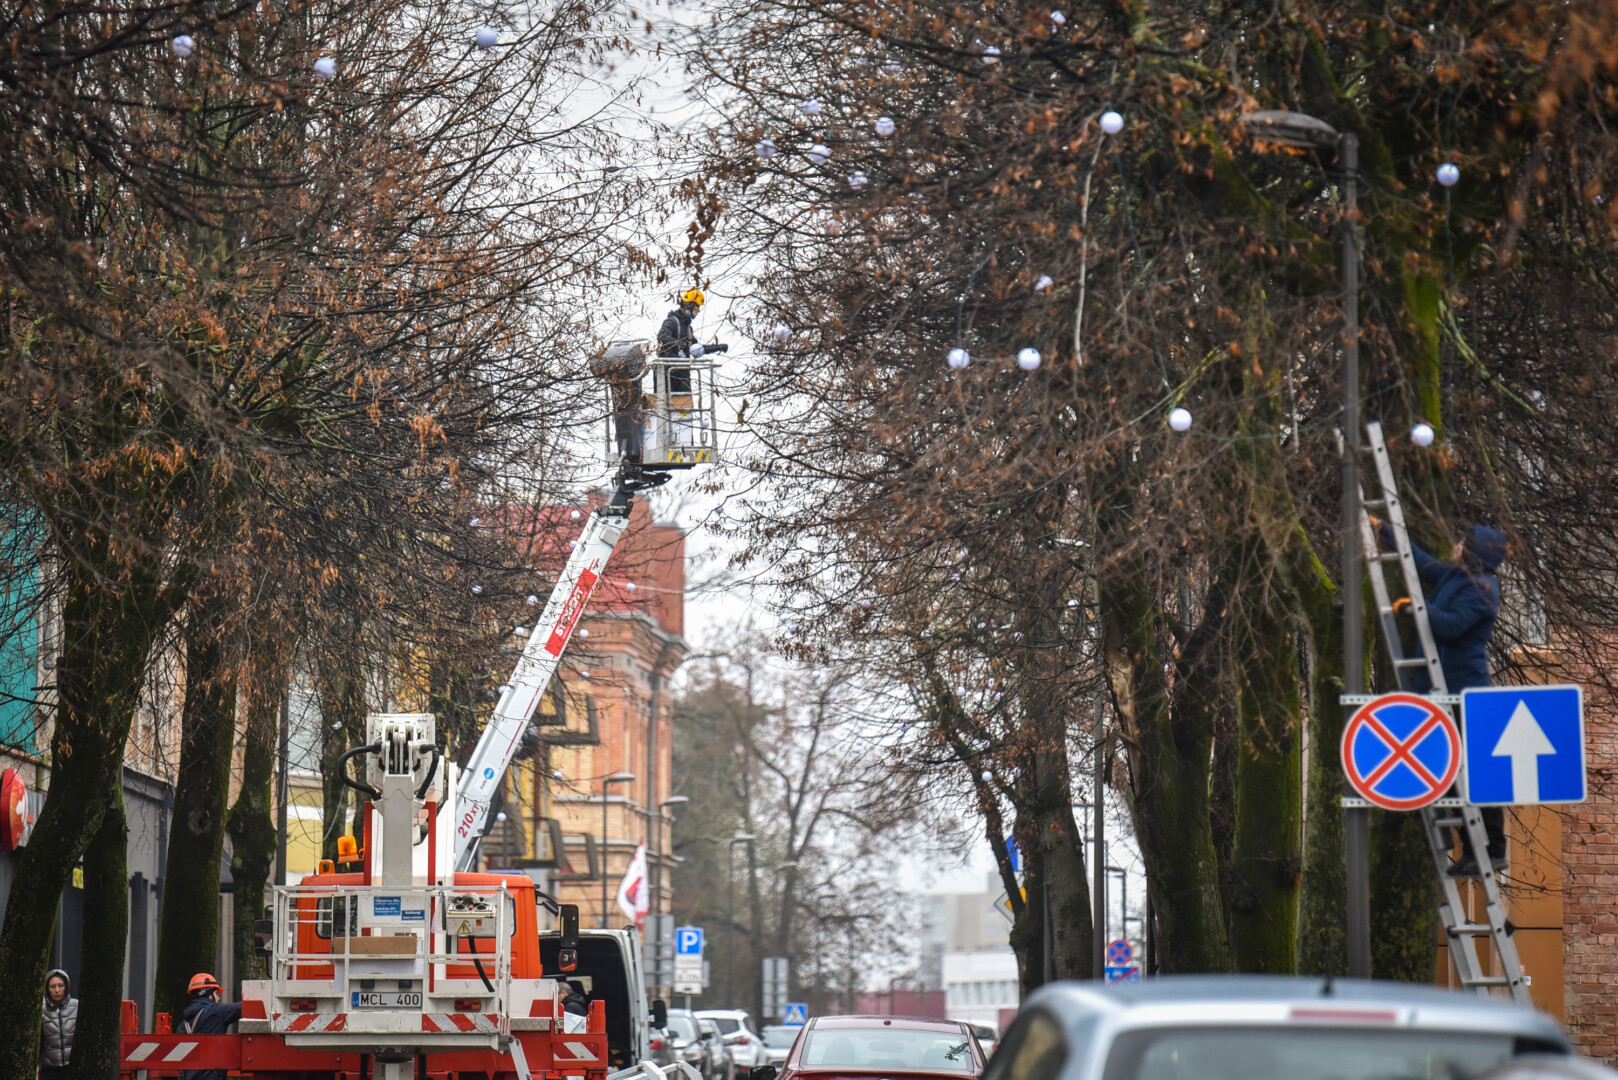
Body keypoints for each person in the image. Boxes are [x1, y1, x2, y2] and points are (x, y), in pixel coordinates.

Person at [1376, 517, 1511, 875]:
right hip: (1439, 689)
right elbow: (1420, 562)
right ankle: (1461, 840)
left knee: (1472, 773)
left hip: (1463, 691)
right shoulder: (1455, 576)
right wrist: (1384, 530)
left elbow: (1451, 626)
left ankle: (1492, 850)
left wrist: (1416, 608)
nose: (1456, 545)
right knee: (1443, 766)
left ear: (1474, 553)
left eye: (1463, 543)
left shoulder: (1483, 590)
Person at [179, 972, 242, 1080]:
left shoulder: (184, 1024)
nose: (218, 998)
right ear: (208, 992)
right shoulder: (216, 1012)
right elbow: (243, 1008)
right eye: (216, 993)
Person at [39, 968, 76, 1080]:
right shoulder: (41, 1009)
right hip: (49, 1069)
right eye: (53, 986)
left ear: (66, 987)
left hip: (72, 1067)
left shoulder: (76, 1006)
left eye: (61, 986)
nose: (57, 990)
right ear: (47, 988)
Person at [658, 289, 705, 359]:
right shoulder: (672, 322)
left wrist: (717, 348)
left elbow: (696, 348)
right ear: (688, 306)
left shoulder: (688, 328)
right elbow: (662, 336)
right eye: (697, 307)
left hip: (683, 365)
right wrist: (682, 345)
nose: (698, 310)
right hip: (669, 364)